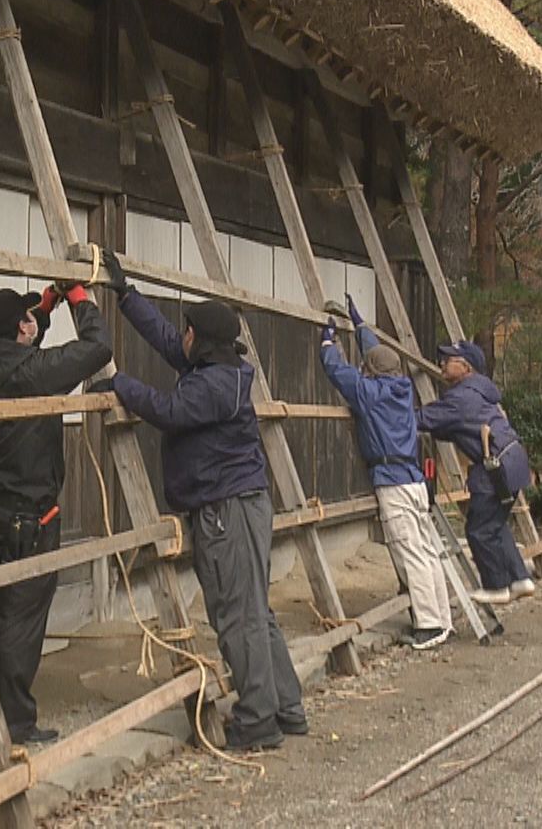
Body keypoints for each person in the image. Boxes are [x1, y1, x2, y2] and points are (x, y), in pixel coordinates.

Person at [96, 250, 308, 752]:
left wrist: (119, 383)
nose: (181, 336)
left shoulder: (215, 384)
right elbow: (170, 342)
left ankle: (257, 720)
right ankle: (285, 705)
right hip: (240, 502)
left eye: (188, 330)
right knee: (256, 610)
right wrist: (126, 296)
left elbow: (169, 411)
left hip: (225, 510)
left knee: (237, 615)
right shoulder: (219, 366)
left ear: (204, 339)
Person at [0, 278, 112, 744]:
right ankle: (16, 724)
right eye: (28, 319)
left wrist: (46, 304)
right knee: (20, 619)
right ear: (18, 332)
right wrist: (80, 300)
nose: (34, 324)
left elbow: (28, 347)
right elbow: (98, 347)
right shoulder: (31, 373)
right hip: (27, 517)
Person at [318, 296, 453, 649]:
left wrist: (328, 339)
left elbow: (337, 371)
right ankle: (442, 617)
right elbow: (377, 356)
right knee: (426, 549)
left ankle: (429, 625)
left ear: (372, 372)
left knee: (410, 551)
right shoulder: (402, 390)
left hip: (392, 482)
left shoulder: (369, 393)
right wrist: (361, 326)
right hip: (415, 480)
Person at [416, 340, 535, 605]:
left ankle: (497, 587)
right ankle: (520, 578)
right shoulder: (480, 394)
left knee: (479, 530)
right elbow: (454, 426)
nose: (442, 364)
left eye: (449, 360)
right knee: (494, 524)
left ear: (466, 366)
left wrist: (388, 415)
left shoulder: (461, 397)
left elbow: (425, 419)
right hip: (513, 461)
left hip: (494, 466)